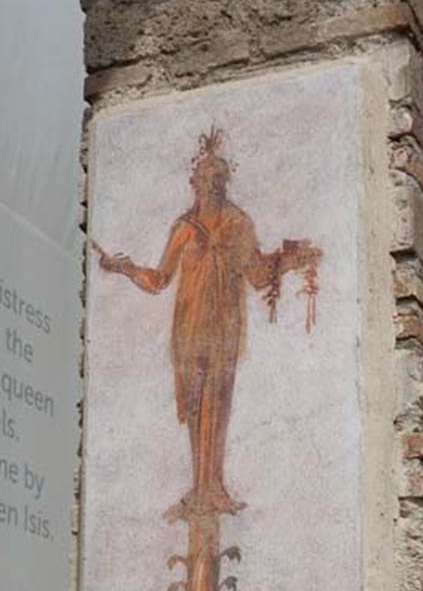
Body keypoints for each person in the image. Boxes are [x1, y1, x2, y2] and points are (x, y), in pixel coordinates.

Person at [94, 126, 321, 515]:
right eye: (206, 178)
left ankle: (213, 486)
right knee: (197, 404)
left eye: (219, 178)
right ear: (194, 182)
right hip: (189, 329)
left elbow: (257, 275)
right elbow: (160, 279)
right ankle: (198, 488)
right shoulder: (185, 227)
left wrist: (289, 262)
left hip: (225, 327)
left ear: (226, 181)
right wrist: (124, 269)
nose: (213, 185)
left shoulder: (238, 224)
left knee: (219, 401)